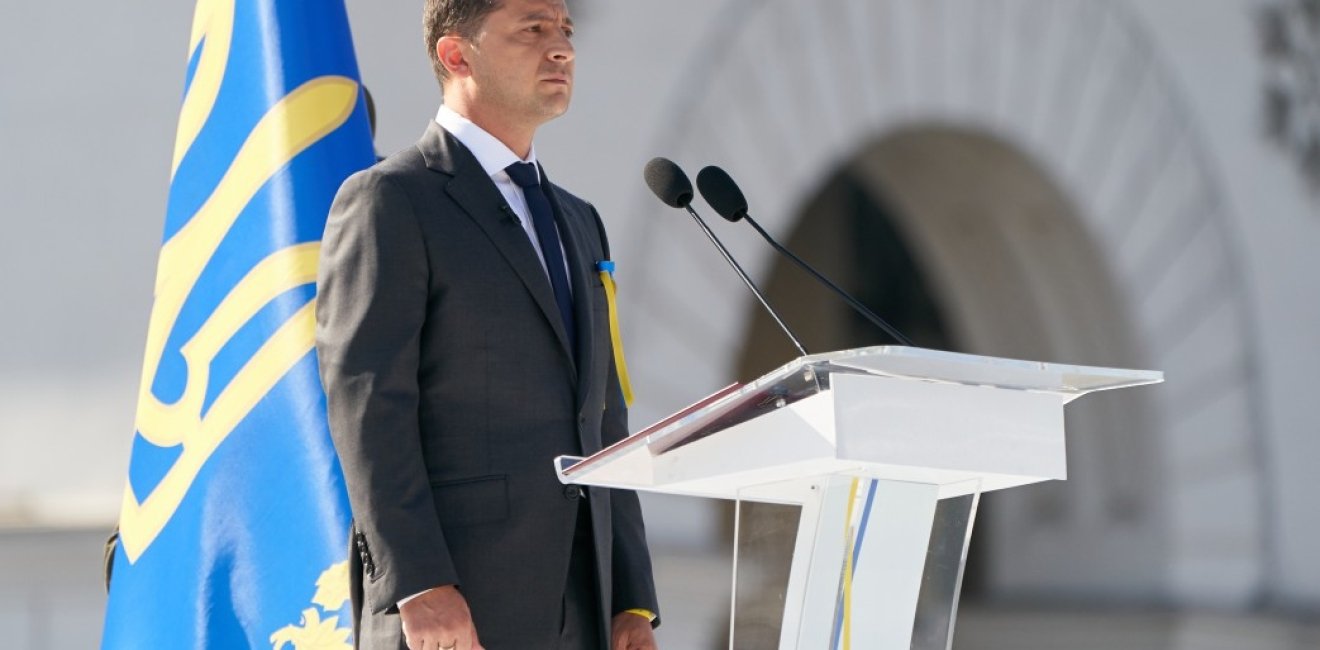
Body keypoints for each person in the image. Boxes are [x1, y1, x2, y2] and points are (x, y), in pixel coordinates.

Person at [314, 1, 660, 649]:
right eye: (533, 29)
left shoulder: (577, 220)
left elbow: (603, 418)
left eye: (566, 31)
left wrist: (632, 600)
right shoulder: (391, 200)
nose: (561, 49)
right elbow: (367, 407)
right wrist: (419, 585)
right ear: (456, 55)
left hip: (584, 608)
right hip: (456, 607)